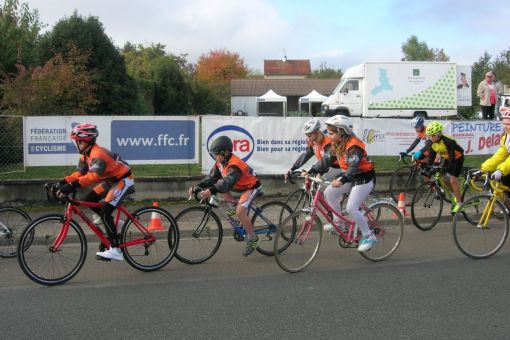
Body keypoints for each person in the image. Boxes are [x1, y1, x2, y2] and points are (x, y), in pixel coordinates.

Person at [57, 123, 134, 261]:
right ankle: (114, 226)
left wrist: (72, 186)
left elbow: (92, 177)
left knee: (105, 211)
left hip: (123, 180)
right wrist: (62, 182)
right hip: (111, 181)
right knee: (90, 199)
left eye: (77, 142)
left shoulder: (97, 154)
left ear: (85, 142)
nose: (76, 145)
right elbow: (80, 173)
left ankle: (116, 250)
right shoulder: (85, 155)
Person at [306, 115, 377, 252]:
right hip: (351, 178)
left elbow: (353, 168)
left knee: (351, 208)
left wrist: (341, 180)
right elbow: (325, 161)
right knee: (329, 192)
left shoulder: (355, 146)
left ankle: (369, 236)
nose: (328, 135)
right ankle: (339, 223)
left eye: (331, 133)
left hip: (364, 178)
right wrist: (310, 170)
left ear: (341, 132)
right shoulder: (337, 144)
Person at [189, 136, 262, 257]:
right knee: (219, 185)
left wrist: (211, 190)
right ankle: (234, 209)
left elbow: (226, 182)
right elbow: (211, 178)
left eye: (216, 154)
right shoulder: (220, 163)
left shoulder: (234, 165)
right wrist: (198, 186)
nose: (214, 157)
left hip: (251, 187)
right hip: (239, 186)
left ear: (225, 152)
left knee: (239, 212)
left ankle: (253, 238)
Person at [424, 121, 464, 213]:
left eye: (432, 135)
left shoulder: (448, 141)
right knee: (444, 178)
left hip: (457, 158)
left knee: (452, 179)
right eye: (429, 135)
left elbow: (452, 157)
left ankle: (460, 204)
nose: (430, 137)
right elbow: (431, 157)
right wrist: (428, 168)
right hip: (447, 157)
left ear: (438, 134)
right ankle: (455, 193)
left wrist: (448, 169)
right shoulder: (432, 143)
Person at [481, 106, 510, 207]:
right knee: (504, 180)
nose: (505, 126)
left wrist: (500, 170)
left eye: (508, 124)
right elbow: (500, 155)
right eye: (504, 123)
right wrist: (484, 168)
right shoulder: (506, 136)